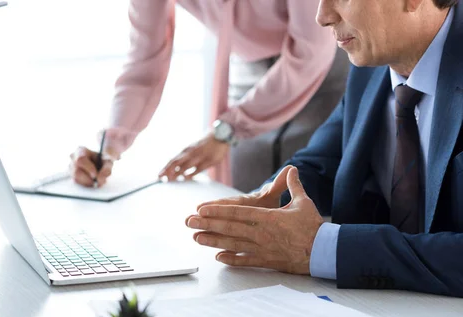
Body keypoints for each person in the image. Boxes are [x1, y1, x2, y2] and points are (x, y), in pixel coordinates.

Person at [185, 0, 463, 297]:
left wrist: (322, 247)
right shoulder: (372, 62)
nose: (322, 17)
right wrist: (272, 203)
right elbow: (320, 163)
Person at [70, 0, 350, 192]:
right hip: (248, 68)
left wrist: (227, 130)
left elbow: (310, 51)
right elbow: (144, 61)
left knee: (306, 194)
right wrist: (111, 144)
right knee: (241, 197)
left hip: (324, 66)